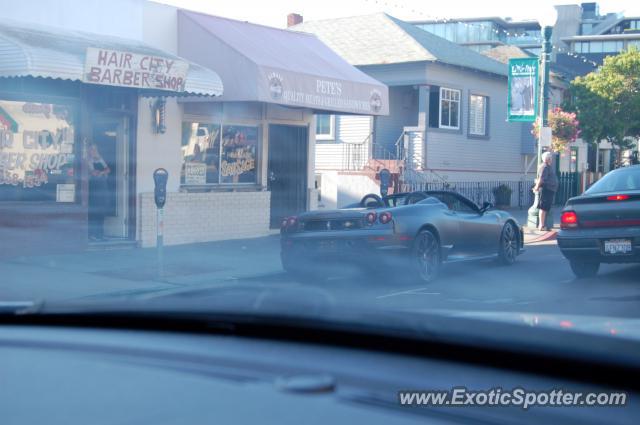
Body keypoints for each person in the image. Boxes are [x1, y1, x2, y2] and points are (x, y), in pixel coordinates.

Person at [87, 143, 111, 241]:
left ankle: (100, 235)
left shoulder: (100, 159)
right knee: (94, 214)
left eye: (95, 149)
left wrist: (101, 172)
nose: (94, 151)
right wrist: (102, 173)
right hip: (94, 190)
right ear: (88, 150)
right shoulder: (88, 160)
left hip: (103, 189)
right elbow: (93, 173)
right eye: (92, 149)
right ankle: (92, 235)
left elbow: (108, 170)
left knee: (101, 212)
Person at [534, 151, 558, 231]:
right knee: (543, 208)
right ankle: (542, 225)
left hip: (549, 189)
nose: (551, 159)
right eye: (550, 158)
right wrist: (537, 187)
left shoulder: (548, 166)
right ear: (547, 159)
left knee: (545, 208)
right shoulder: (544, 167)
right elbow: (541, 178)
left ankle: (543, 225)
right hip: (546, 189)